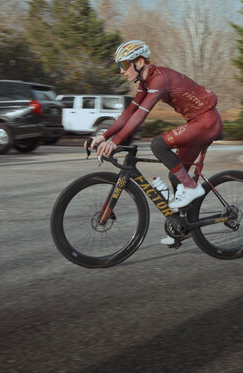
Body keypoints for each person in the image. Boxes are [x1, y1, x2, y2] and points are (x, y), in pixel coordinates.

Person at [89, 40, 223, 245]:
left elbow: (141, 115)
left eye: (124, 65)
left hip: (207, 122)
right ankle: (181, 227)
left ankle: (192, 188)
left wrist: (116, 142)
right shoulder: (146, 83)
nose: (121, 71)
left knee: (158, 145)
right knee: (176, 174)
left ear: (139, 62)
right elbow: (129, 113)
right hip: (197, 123)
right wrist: (103, 136)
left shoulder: (159, 79)